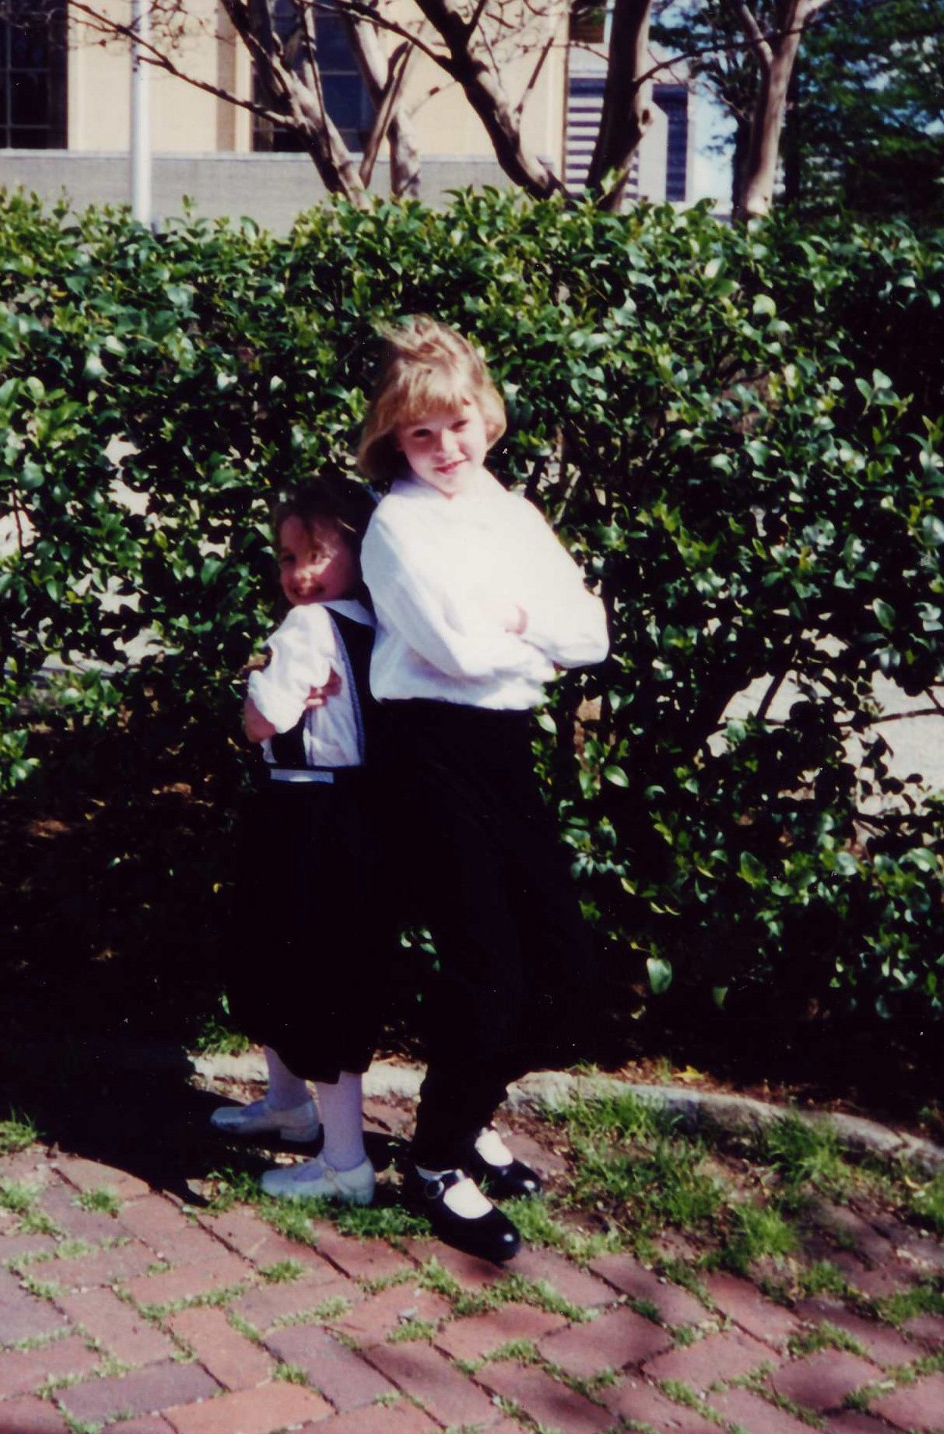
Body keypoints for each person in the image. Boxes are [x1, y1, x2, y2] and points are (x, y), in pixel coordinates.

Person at [359, 316, 610, 1262]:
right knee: (489, 972)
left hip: (504, 747)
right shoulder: (397, 526)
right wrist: (526, 626)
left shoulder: (508, 509)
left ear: (486, 419)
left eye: (457, 424)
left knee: (566, 972)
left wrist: (519, 622)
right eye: (420, 434)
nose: (444, 448)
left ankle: (464, 1122)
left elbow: (591, 632)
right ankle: (433, 1163)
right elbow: (458, 653)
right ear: (394, 438)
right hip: (430, 754)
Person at [210, 474, 382, 1206]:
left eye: (314, 554)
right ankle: (288, 1107)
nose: (298, 575)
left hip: (307, 817)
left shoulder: (310, 627)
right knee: (280, 959)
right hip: (344, 814)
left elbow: (263, 719)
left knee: (310, 974)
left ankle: (345, 1161)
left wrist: (257, 692)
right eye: (286, 558)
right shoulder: (372, 627)